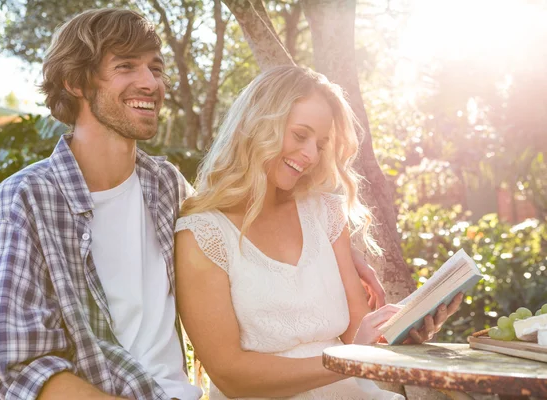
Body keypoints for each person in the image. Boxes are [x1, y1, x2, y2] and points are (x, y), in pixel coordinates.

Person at [174, 65, 464, 399]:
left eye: (321, 143)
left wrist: (406, 330)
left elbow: (359, 332)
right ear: (258, 125)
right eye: (300, 135)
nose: (311, 155)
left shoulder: (325, 212)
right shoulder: (203, 234)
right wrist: (348, 359)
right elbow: (230, 375)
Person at [0, 8, 201, 400]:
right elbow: (20, 369)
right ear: (75, 82)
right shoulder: (24, 200)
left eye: (156, 68)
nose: (150, 83)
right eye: (126, 66)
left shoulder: (169, 187)